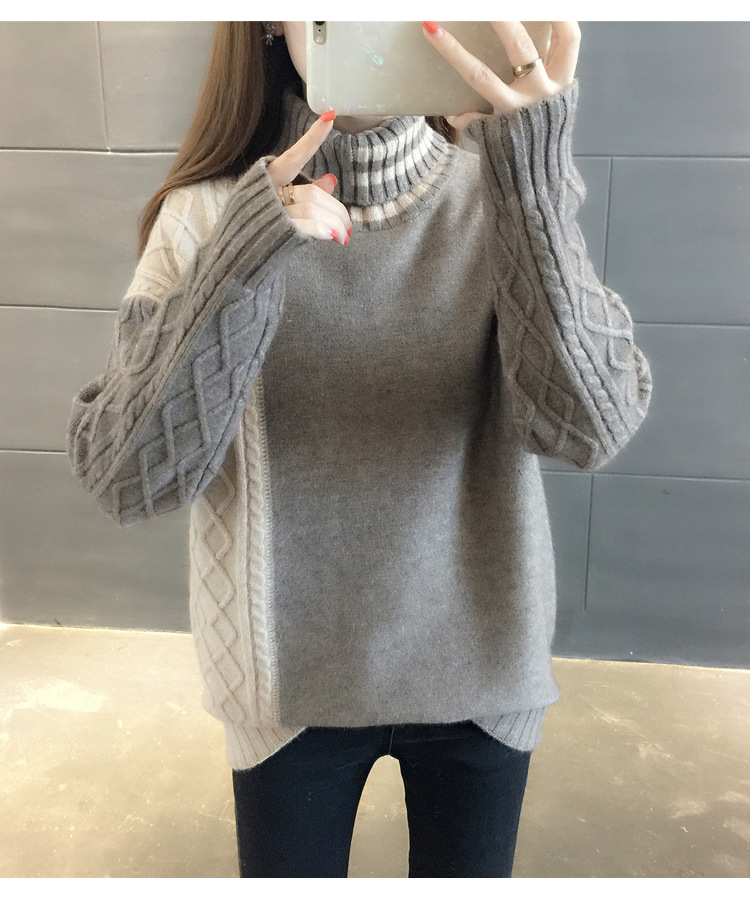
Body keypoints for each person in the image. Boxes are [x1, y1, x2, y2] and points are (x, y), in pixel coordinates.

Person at [67, 21, 652, 878]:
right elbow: (128, 476)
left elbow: (589, 426)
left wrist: (531, 182)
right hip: (284, 688)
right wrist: (239, 260)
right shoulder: (206, 216)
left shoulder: (502, 193)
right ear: (266, 19)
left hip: (483, 673)